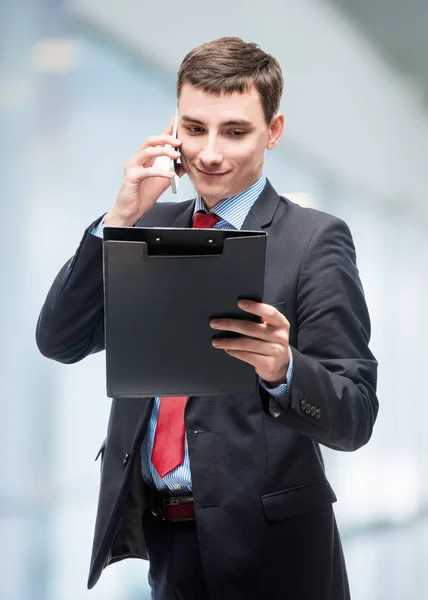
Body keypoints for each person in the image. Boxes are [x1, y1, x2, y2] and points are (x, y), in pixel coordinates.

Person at [36, 37, 378, 600]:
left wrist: (285, 369)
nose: (210, 153)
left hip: (277, 556)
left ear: (274, 130)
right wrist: (120, 218)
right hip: (167, 544)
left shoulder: (314, 241)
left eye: (235, 131)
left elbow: (356, 414)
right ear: (173, 128)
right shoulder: (145, 224)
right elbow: (60, 338)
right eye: (194, 129)